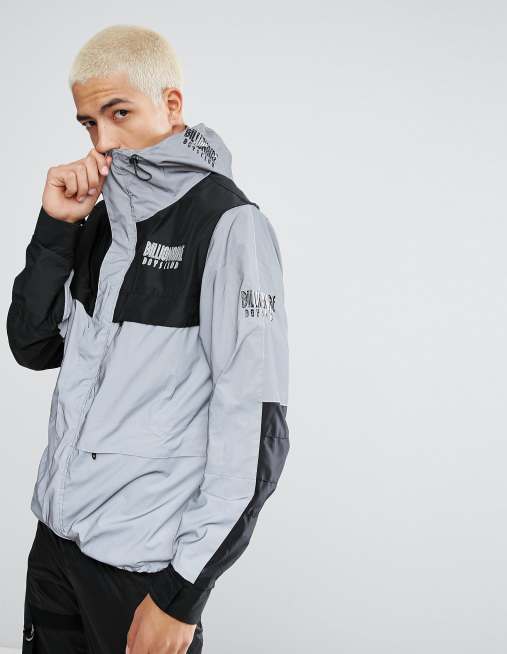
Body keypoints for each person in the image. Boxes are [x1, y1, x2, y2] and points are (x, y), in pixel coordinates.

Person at [7, 24, 290, 654]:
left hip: (141, 573)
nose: (103, 141)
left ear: (171, 104)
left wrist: (181, 595)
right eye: (89, 123)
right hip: (55, 546)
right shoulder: (103, 215)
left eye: (119, 113)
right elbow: (32, 344)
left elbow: (256, 431)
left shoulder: (230, 225)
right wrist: (56, 228)